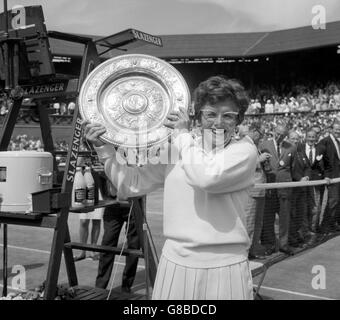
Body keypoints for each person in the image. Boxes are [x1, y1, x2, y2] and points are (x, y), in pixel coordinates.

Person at [84, 75, 258, 300]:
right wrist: (103, 147)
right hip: (175, 261)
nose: (218, 122)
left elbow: (207, 178)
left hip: (225, 264)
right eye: (211, 114)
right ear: (198, 116)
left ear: (239, 119)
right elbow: (131, 184)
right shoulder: (178, 148)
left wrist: (182, 136)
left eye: (229, 116)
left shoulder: (244, 150)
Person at [95, 174, 140, 293]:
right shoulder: (105, 157)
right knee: (107, 243)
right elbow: (98, 176)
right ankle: (100, 286)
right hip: (113, 203)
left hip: (133, 203)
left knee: (134, 245)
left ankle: (126, 286)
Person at [259, 124, 297, 256]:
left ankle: (284, 244)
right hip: (269, 188)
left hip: (285, 189)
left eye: (283, 134)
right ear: (274, 132)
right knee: (268, 218)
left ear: (286, 135)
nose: (280, 136)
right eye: (278, 133)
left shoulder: (291, 147)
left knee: (284, 218)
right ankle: (269, 244)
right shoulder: (264, 144)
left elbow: (292, 168)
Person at [239, 124, 268, 260]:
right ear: (254, 132)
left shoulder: (255, 146)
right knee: (249, 223)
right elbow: (241, 165)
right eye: (261, 134)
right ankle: (244, 253)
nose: (261, 138)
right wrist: (258, 160)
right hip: (251, 190)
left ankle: (253, 249)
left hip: (260, 189)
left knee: (257, 223)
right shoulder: (244, 144)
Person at [317, 120, 340, 234]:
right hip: (331, 177)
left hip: (338, 177)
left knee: (338, 201)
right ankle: (324, 226)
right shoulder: (324, 141)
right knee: (333, 201)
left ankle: (333, 223)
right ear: (331, 129)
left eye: (339, 129)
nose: (338, 131)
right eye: (336, 129)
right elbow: (319, 159)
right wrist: (326, 175)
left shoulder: (338, 141)